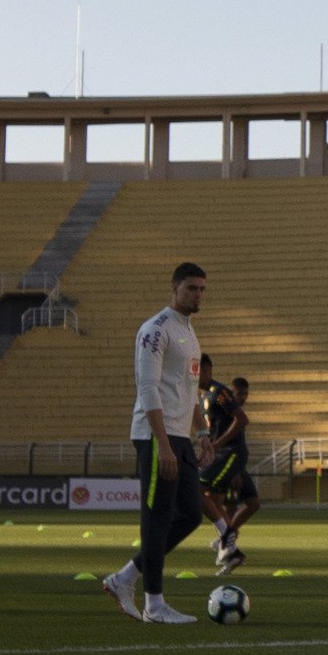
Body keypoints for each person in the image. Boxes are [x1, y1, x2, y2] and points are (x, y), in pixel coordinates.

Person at [104, 263, 214, 623]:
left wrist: (203, 433)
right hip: (157, 437)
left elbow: (190, 392)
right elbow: (148, 388)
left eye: (201, 289)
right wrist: (163, 444)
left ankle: (125, 578)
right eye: (191, 288)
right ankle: (154, 604)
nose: (197, 294)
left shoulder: (189, 333)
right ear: (174, 288)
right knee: (157, 519)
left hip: (181, 437)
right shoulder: (155, 330)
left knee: (191, 515)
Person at [197, 356, 261, 572]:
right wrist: (208, 449)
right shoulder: (205, 395)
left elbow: (242, 420)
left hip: (230, 453)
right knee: (213, 500)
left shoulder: (218, 391)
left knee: (197, 489)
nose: (192, 375)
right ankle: (229, 548)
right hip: (221, 454)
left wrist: (215, 446)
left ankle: (228, 542)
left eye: (196, 370)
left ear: (206, 370)